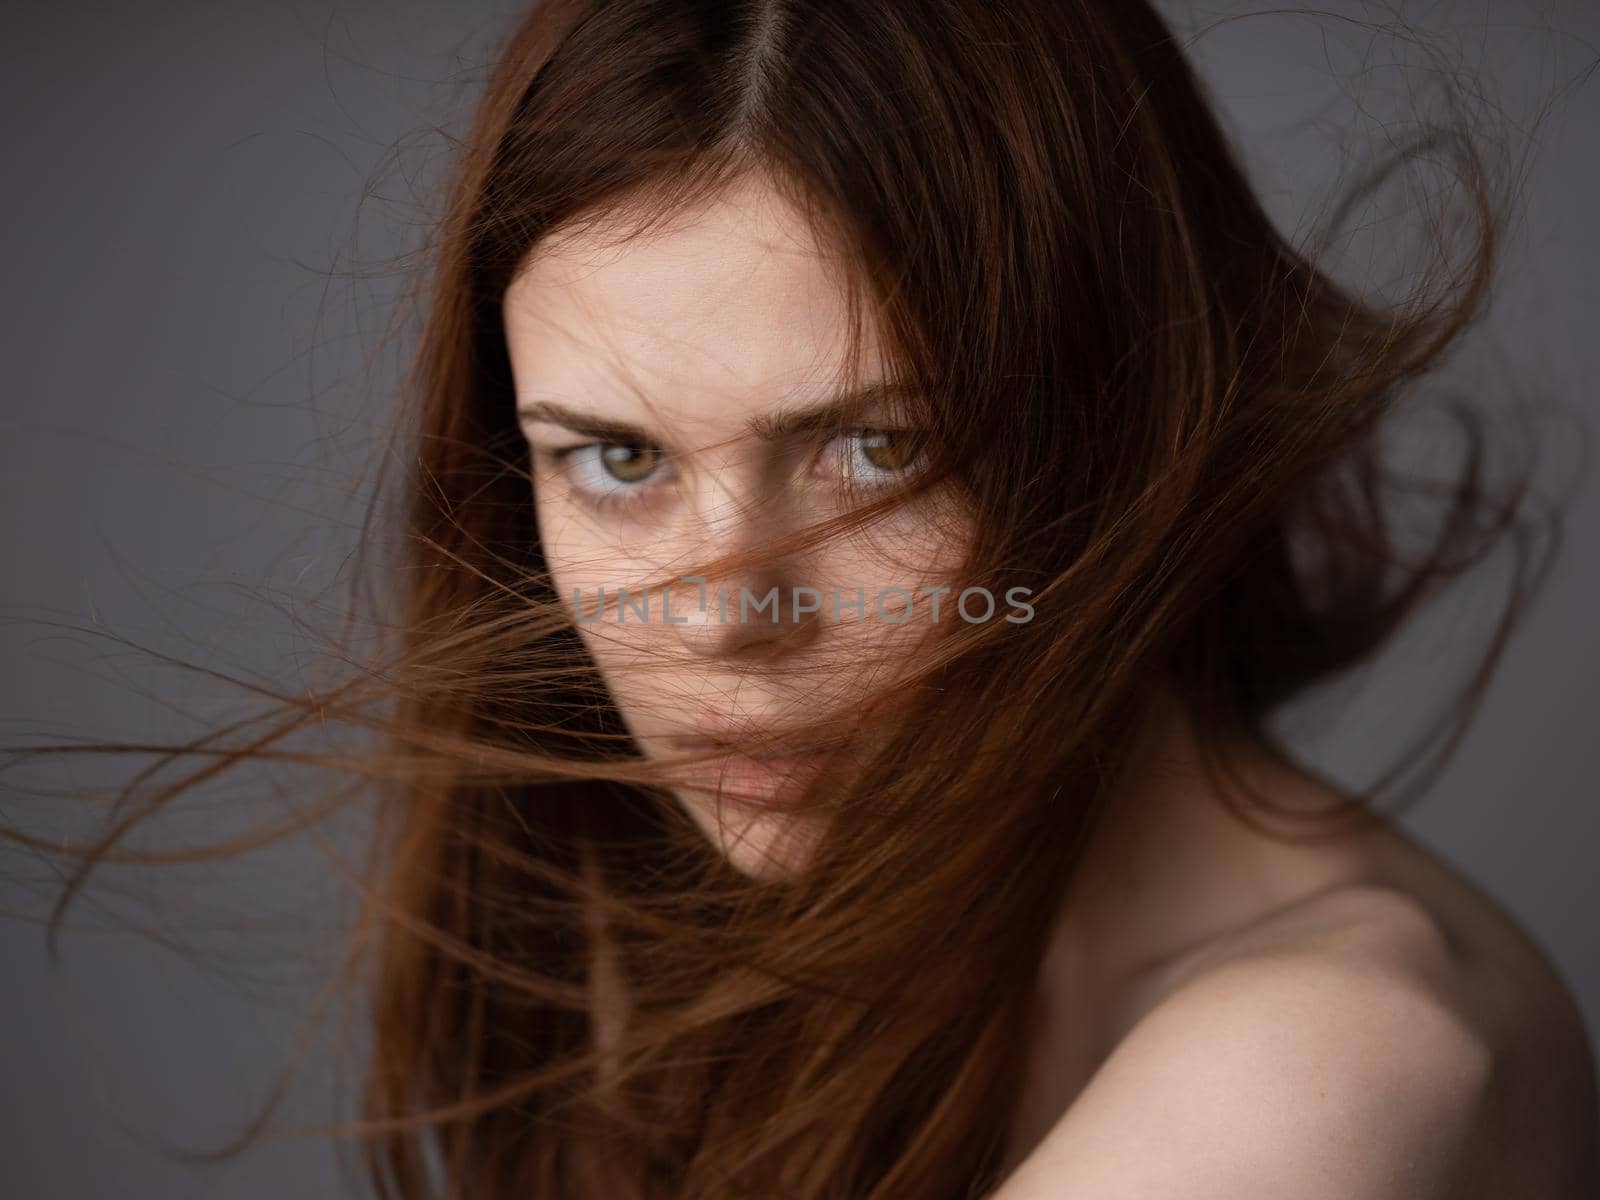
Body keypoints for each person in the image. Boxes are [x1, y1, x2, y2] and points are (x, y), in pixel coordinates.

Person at [8, 1, 1596, 1197]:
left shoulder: (1327, 1061)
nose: (717, 623)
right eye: (617, 458)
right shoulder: (761, 933)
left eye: (873, 450)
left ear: (1122, 423)